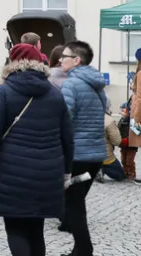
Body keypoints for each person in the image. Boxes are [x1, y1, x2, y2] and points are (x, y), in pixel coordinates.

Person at [0, 43, 74, 256]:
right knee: (36, 230)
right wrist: (66, 172)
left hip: (12, 171)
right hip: (48, 171)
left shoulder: (5, 92)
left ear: (12, 64)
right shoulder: (55, 93)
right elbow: (67, 137)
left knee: (16, 228)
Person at [60, 40, 109, 256]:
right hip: (95, 154)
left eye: (65, 56)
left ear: (76, 60)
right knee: (76, 202)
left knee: (73, 206)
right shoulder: (96, 84)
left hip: (77, 155)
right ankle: (80, 249)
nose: (61, 59)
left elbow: (64, 121)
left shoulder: (71, 84)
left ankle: (84, 250)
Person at [125, 48, 141, 181]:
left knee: (134, 142)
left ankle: (130, 172)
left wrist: (136, 117)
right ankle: (130, 171)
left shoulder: (140, 74)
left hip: (138, 115)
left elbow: (140, 97)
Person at [98, 114, 125, 182]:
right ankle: (101, 168)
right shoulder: (108, 120)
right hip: (105, 156)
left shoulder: (82, 116)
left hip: (86, 157)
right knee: (121, 175)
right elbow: (116, 141)